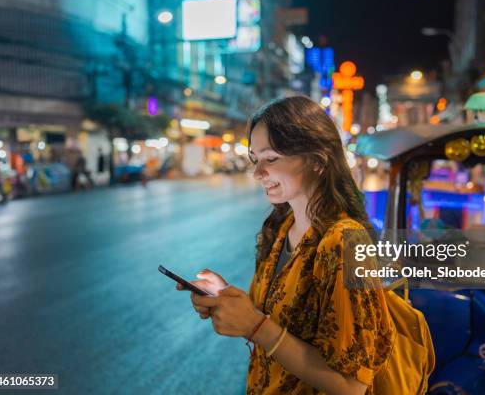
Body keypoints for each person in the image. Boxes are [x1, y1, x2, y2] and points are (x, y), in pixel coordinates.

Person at [178, 96, 434, 394]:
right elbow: (274, 313)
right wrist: (226, 296)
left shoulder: (343, 243)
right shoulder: (279, 228)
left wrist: (255, 327)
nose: (258, 172)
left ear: (317, 160)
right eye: (254, 159)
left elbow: (351, 386)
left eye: (271, 158)